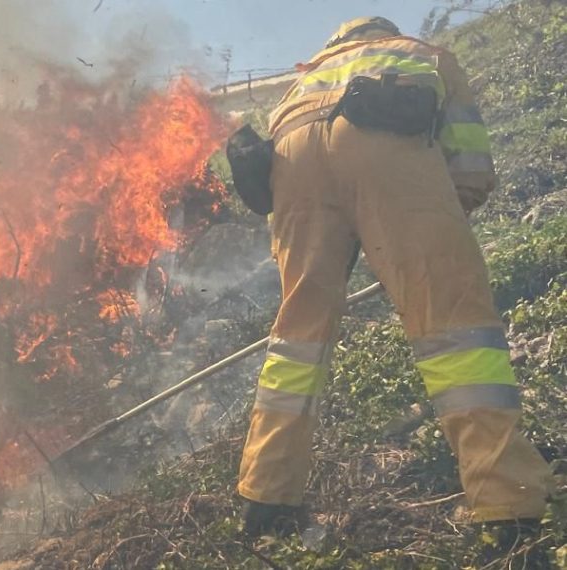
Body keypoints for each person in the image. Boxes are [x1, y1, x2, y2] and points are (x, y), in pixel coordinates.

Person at [235, 16, 554, 565]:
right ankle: (508, 502)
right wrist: (443, 221)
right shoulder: (423, 53)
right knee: (455, 326)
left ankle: (265, 498)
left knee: (297, 338)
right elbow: (471, 160)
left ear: (338, 42)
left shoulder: (298, 83)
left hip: (294, 158)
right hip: (386, 149)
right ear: (383, 33)